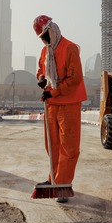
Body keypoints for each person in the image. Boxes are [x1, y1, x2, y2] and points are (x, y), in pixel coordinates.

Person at [33, 15, 87, 203]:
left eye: (45, 34)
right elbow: (41, 70)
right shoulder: (44, 51)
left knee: (68, 146)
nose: (45, 39)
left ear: (53, 29)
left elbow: (75, 78)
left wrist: (54, 93)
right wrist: (40, 79)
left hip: (69, 103)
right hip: (52, 104)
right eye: (41, 37)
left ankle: (63, 184)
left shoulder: (70, 48)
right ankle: (53, 178)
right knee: (52, 144)